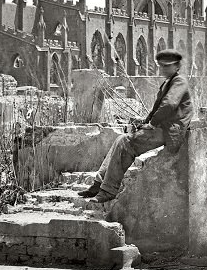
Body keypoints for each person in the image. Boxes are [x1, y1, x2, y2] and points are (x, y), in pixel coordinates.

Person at [80, 49, 193, 204]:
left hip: (171, 131)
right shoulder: (169, 82)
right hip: (163, 128)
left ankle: (108, 190)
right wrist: (145, 123)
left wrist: (152, 124)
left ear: (177, 67)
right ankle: (98, 184)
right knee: (120, 138)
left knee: (125, 143)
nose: (163, 69)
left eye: (167, 66)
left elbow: (169, 105)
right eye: (161, 66)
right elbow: (156, 109)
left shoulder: (179, 81)